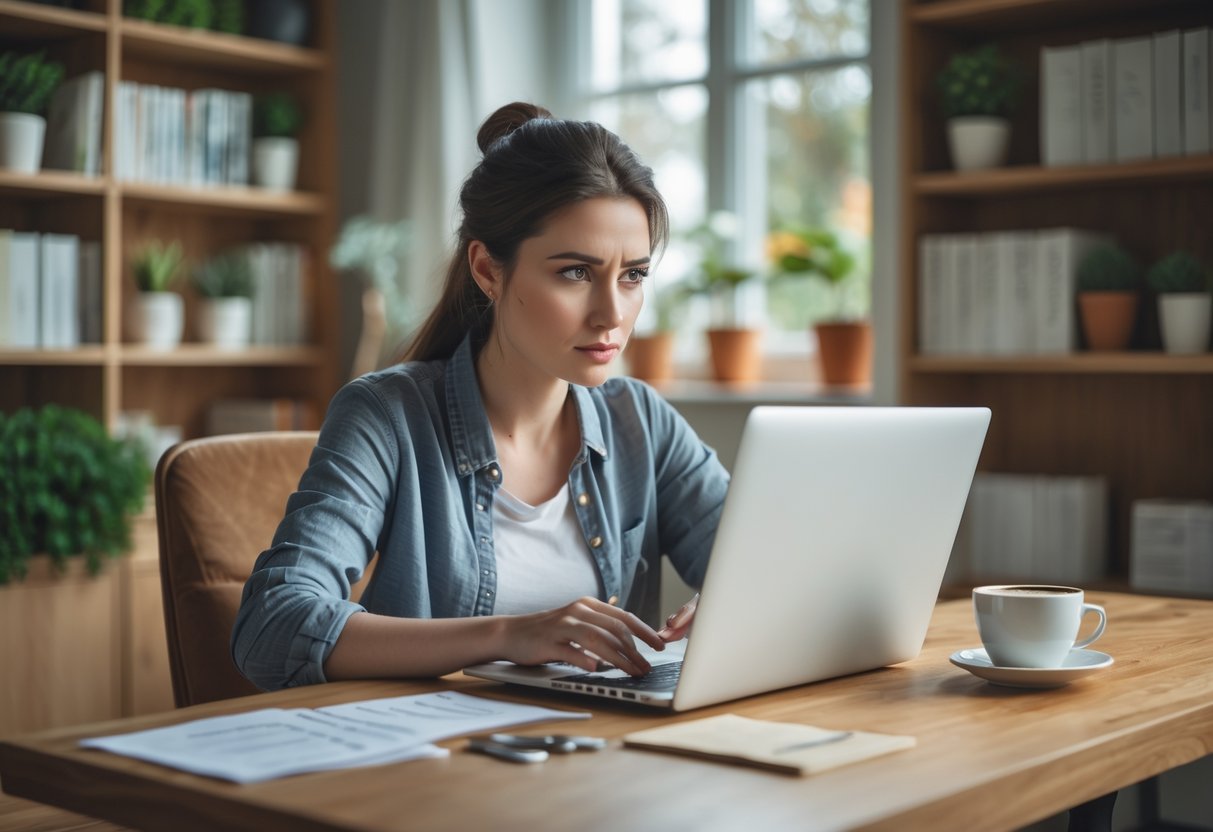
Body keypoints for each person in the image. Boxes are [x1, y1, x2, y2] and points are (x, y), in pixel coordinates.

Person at [232, 102, 729, 691]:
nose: (612, 315)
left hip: (602, 760)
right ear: (488, 271)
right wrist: (507, 635)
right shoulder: (386, 417)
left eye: (634, 275)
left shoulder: (641, 422)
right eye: (575, 272)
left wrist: (743, 603)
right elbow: (272, 627)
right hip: (437, 767)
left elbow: (772, 563)